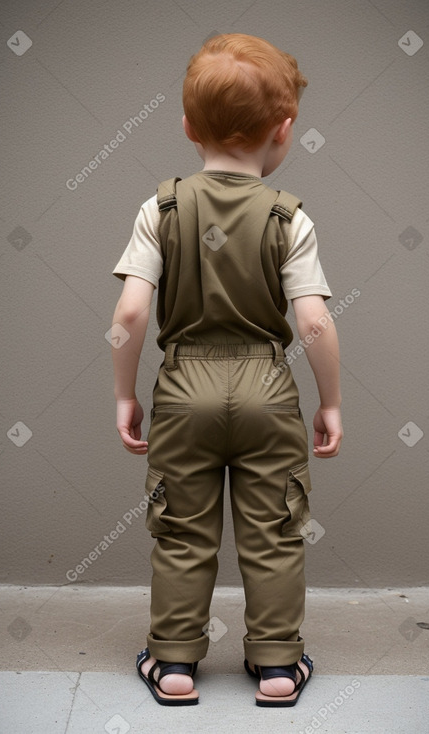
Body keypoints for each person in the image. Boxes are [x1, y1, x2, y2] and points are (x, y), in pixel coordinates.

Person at [111, 32, 343, 707]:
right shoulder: (287, 219)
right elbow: (314, 322)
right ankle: (275, 666)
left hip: (183, 388)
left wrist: (123, 392)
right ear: (284, 130)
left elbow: (128, 312)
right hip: (267, 388)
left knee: (181, 529)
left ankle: (175, 663)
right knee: (274, 530)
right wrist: (329, 402)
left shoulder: (161, 210)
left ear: (186, 127)